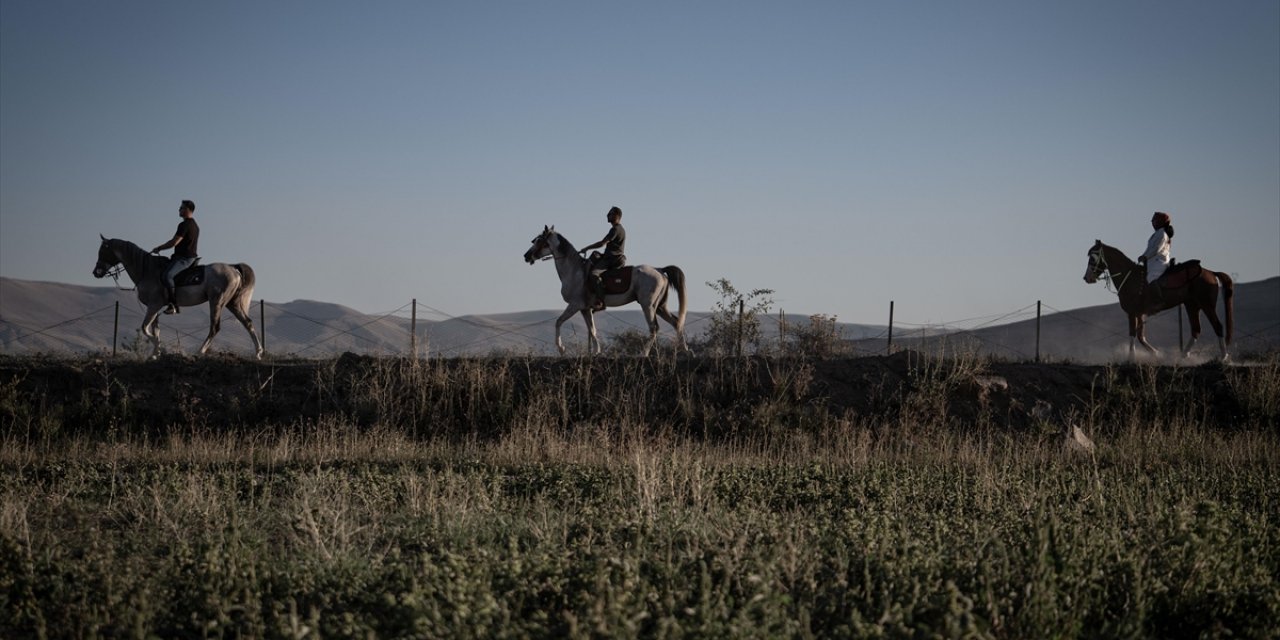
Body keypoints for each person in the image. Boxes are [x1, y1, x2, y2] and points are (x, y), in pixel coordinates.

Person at [151, 200, 200, 314]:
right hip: (183, 258)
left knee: (167, 276)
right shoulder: (195, 225)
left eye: (181, 208)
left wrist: (159, 248)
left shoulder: (185, 225)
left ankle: (173, 305)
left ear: (188, 210)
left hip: (184, 259)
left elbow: (174, 242)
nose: (179, 210)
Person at [578, 206, 626, 311]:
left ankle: (601, 301)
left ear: (616, 216)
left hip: (612, 259)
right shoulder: (618, 229)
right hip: (610, 257)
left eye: (610, 214)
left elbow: (602, 243)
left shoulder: (615, 229)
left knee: (594, 274)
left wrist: (586, 248)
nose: (607, 215)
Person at [1138, 210, 1174, 303]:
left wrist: (1145, 257)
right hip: (1153, 262)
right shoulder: (1156, 234)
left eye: (1155, 221)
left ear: (1160, 222)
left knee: (1151, 277)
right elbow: (1149, 249)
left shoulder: (1162, 234)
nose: (1153, 223)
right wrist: (1143, 256)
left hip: (1160, 262)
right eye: (1153, 221)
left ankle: (1159, 299)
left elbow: (1156, 249)